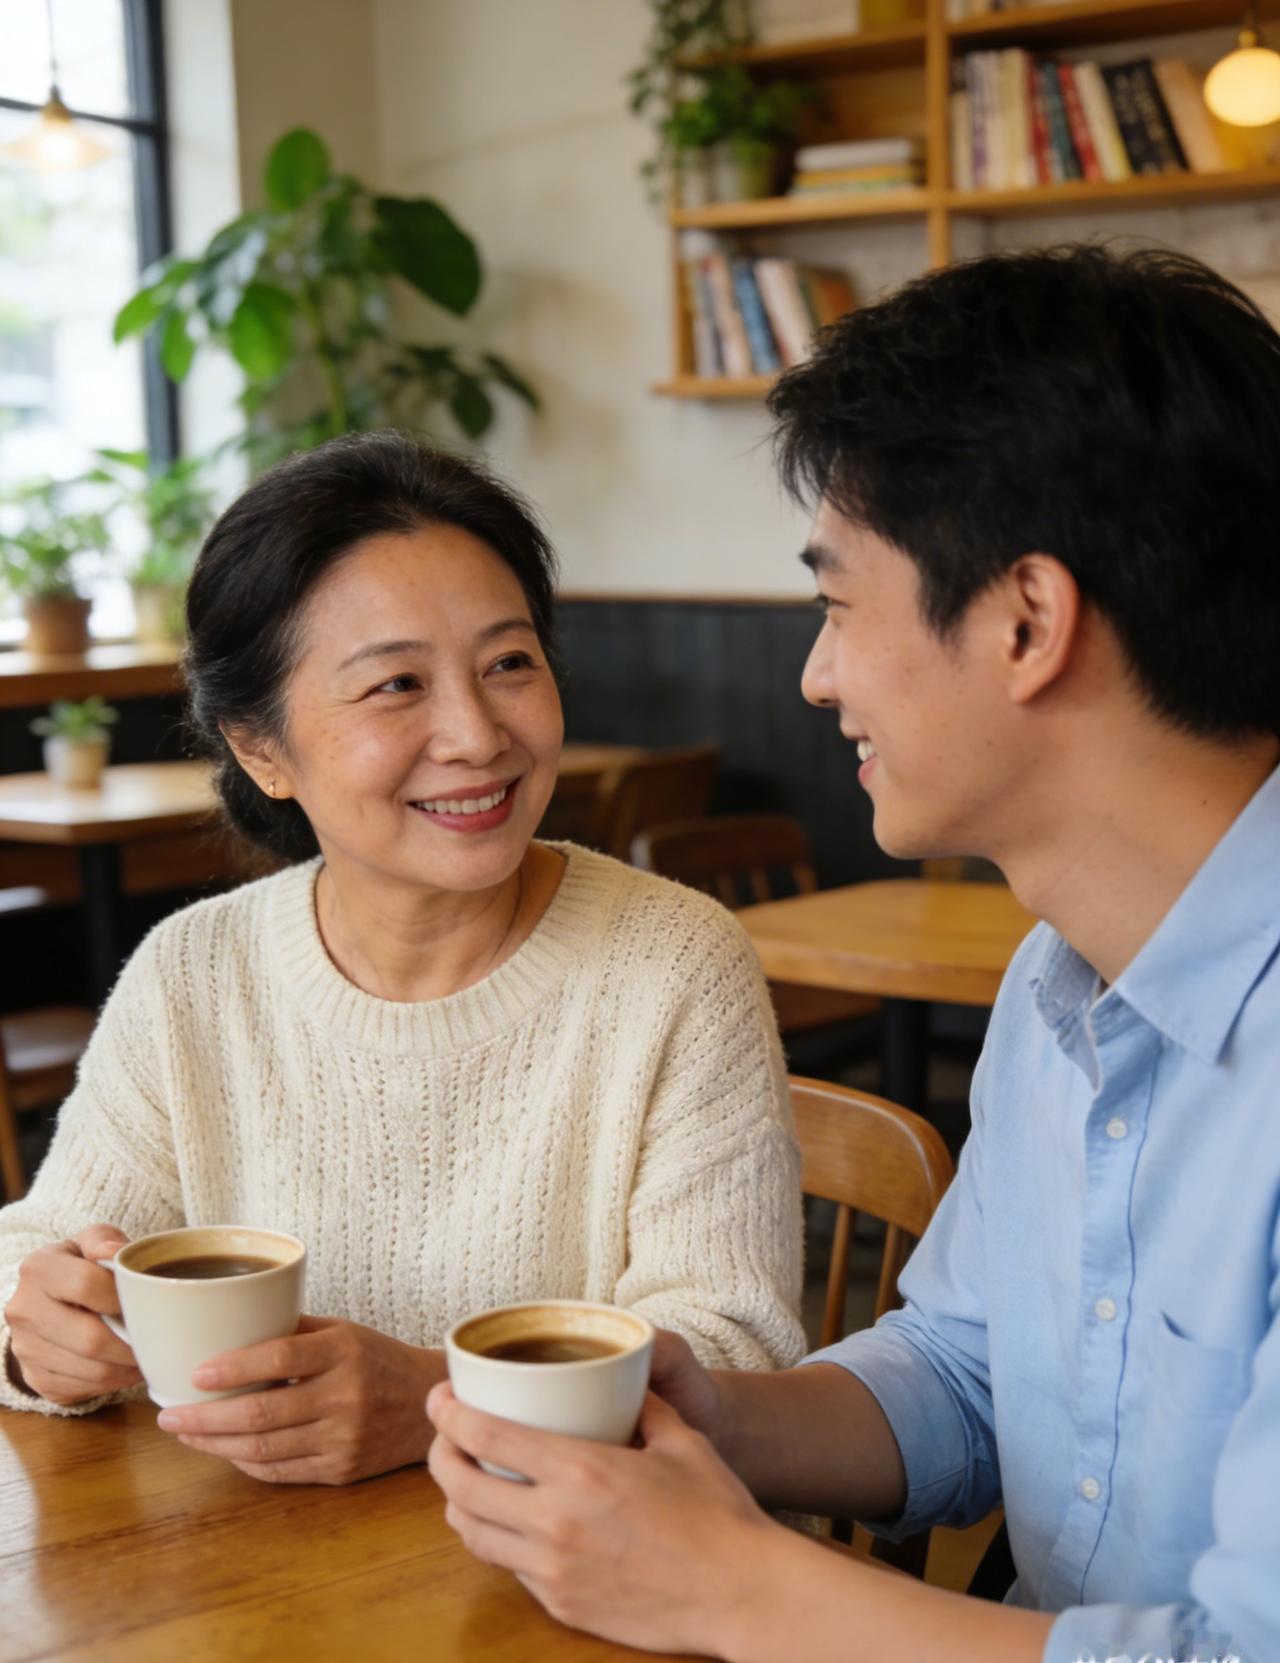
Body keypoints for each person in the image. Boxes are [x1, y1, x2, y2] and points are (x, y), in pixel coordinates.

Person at [428, 245, 1280, 1663]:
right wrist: (714, 1414)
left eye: (836, 602)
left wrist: (730, 1586)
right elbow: (967, 1368)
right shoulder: (1059, 979)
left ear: (1026, 619)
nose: (817, 675)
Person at [0, 431, 806, 1483]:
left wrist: (434, 1404)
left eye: (508, 664)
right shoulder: (194, 973)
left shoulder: (671, 962)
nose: (476, 734)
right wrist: (41, 1335)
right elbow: (43, 1248)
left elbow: (734, 1353)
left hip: (584, 1593)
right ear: (261, 749)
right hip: (262, 1592)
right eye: (395, 686)